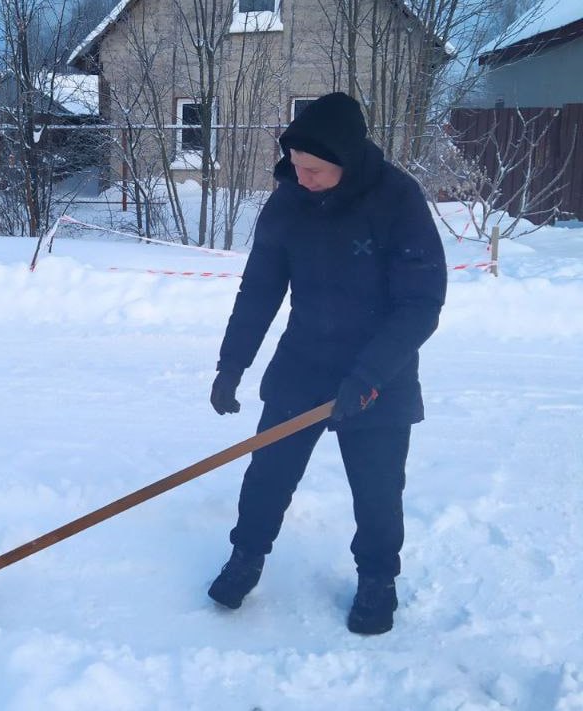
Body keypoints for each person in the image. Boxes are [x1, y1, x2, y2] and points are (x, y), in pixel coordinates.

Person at [207, 92, 447, 635]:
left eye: (313, 169)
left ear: (345, 158)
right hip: (302, 363)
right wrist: (231, 364)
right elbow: (260, 288)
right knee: (267, 474)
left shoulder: (397, 200)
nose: (301, 177)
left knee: (378, 489)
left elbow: (421, 304)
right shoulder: (290, 199)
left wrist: (366, 378)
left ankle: (378, 578)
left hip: (378, 373)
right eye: (295, 165)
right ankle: (246, 555)